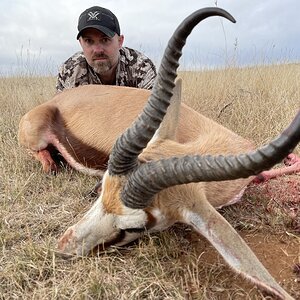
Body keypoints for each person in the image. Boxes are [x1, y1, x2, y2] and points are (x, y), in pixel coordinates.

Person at [56, 6, 157, 92]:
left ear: (120, 41)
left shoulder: (141, 67)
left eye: (105, 40)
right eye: (89, 41)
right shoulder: (69, 71)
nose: (98, 50)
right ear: (81, 44)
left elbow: (155, 111)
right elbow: (61, 110)